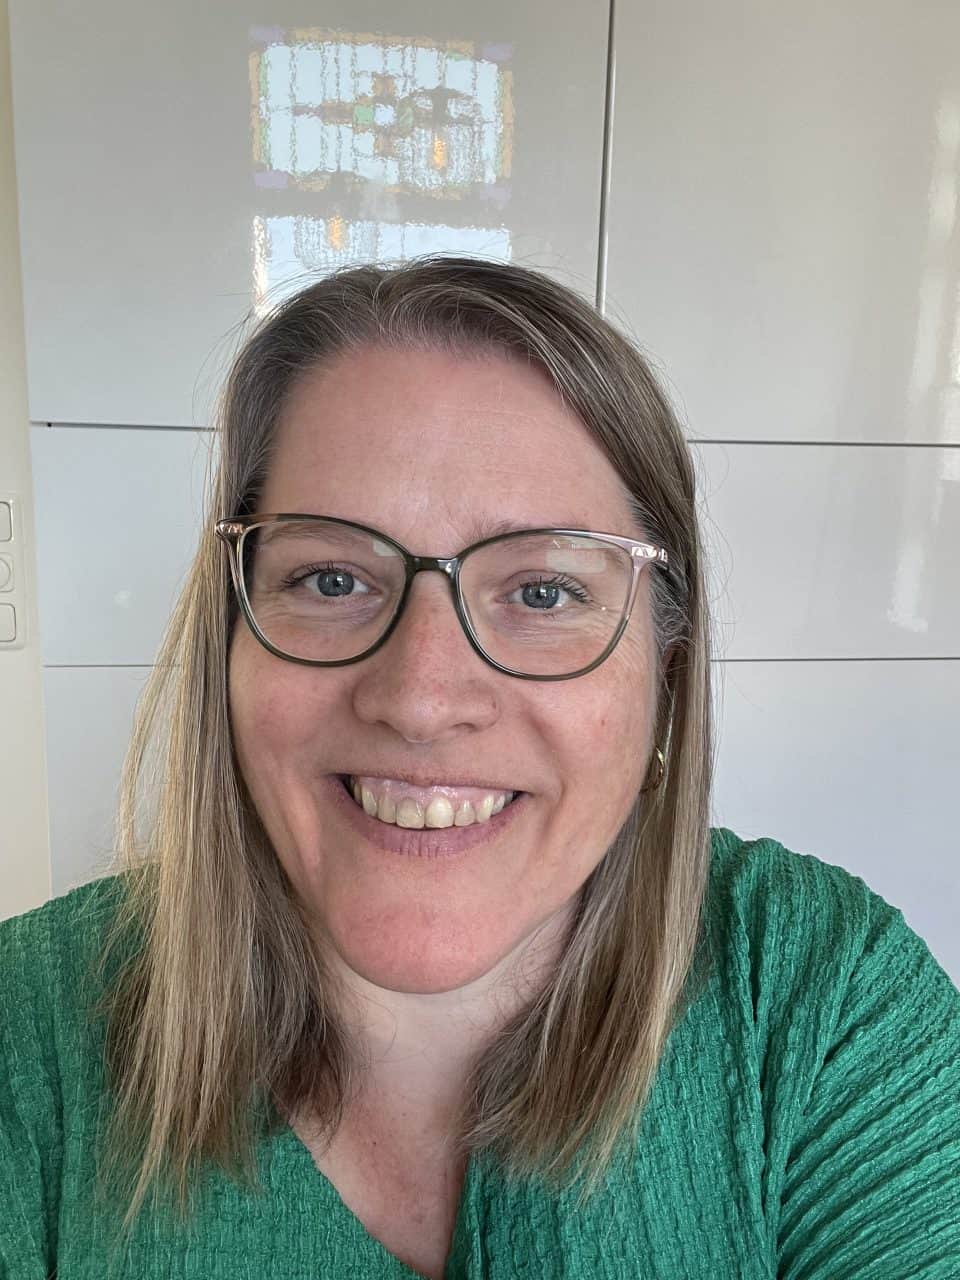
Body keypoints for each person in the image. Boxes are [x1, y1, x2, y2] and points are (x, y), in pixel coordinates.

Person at [2, 257, 959, 1280]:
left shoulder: (820, 995)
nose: (421, 698)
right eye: (331, 579)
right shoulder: (25, 1025)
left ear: (666, 672)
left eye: (543, 591)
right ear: (228, 641)